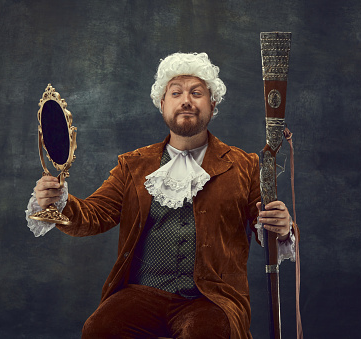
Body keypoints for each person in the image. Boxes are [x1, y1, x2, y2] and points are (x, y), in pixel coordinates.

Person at [26, 52, 297, 339]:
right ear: (162, 103)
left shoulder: (245, 165)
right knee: (99, 329)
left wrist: (281, 228)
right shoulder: (133, 165)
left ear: (212, 103)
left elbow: (264, 230)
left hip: (212, 298)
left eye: (197, 93)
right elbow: (94, 215)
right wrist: (59, 203)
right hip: (142, 293)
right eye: (176, 92)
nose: (186, 101)